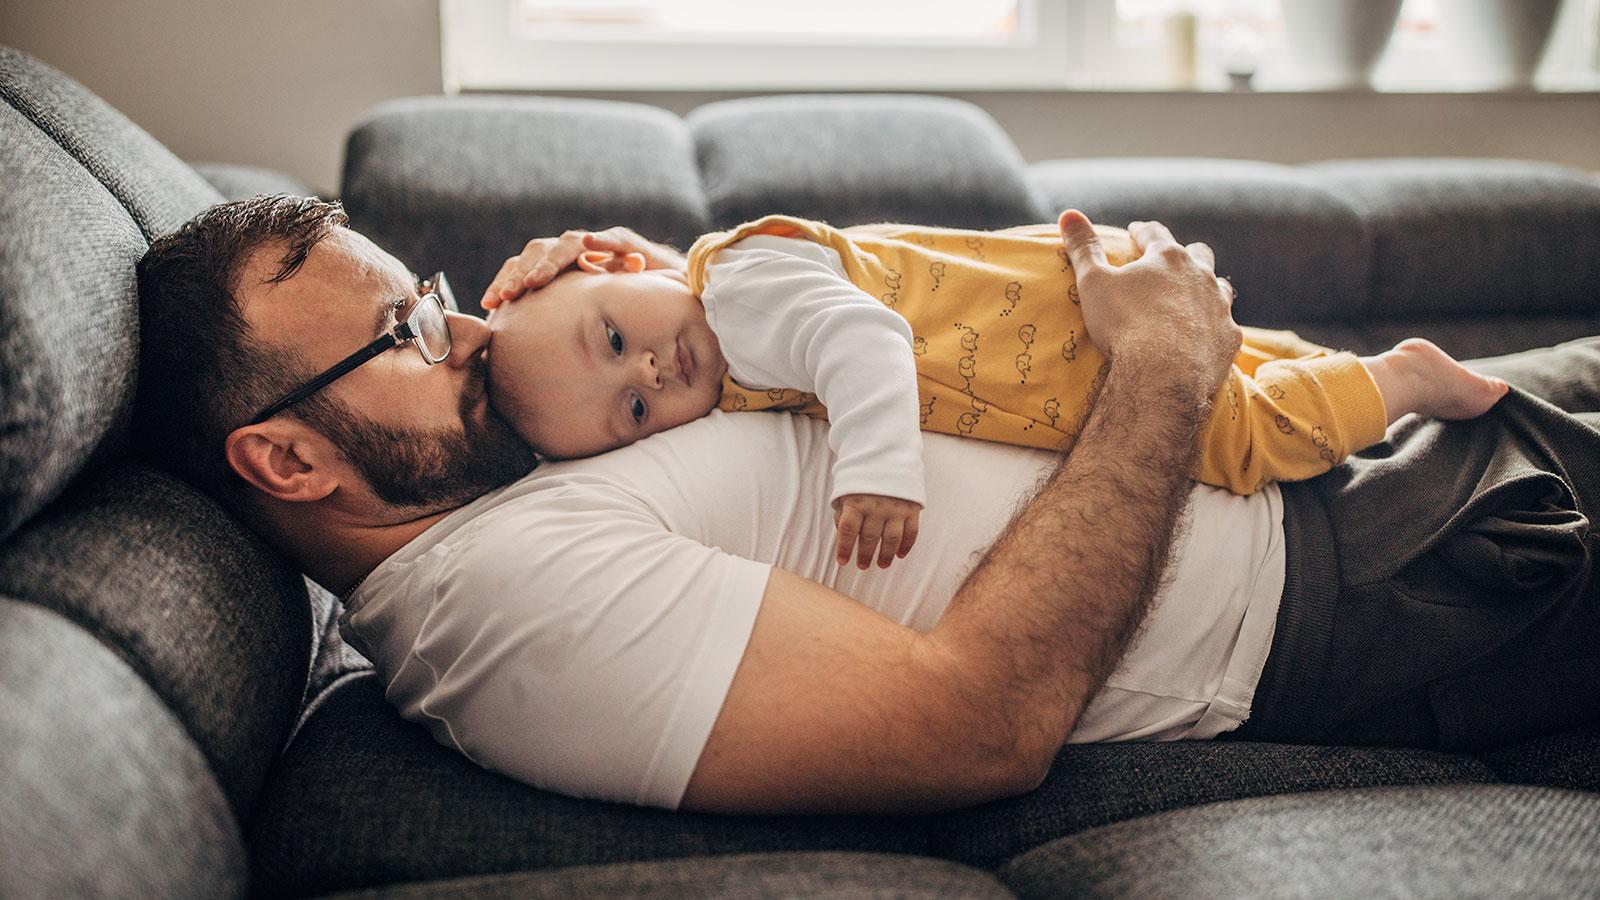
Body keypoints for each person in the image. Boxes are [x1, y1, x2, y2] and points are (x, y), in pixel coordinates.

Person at [133, 193, 1600, 816]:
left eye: (433, 301)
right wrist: (1161, 367)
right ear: (287, 461)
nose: (456, 337)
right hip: (1355, 559)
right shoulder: (501, 609)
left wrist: (658, 299)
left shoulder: (498, 469)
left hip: (1315, 430)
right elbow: (981, 723)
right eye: (401, 335)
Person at [483, 212, 1508, 570]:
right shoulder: (722, 282)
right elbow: (686, 302)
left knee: (1240, 438)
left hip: (1072, 354)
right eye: (631, 411)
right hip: (1062, 311)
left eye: (615, 337)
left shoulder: (743, 302)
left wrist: (876, 473)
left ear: (622, 261)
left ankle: (1397, 380)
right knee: (1245, 353)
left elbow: (861, 339)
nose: (651, 373)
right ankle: (1345, 367)